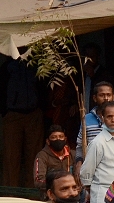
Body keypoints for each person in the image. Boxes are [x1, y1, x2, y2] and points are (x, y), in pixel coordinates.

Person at [0, 56, 44, 187]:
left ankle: (33, 192)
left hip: (34, 112)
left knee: (35, 156)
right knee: (10, 157)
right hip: (12, 114)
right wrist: (4, 111)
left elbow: (43, 85)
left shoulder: (36, 64)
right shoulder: (6, 67)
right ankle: (10, 192)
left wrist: (41, 107)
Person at [75, 82, 114, 174]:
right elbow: (80, 145)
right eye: (102, 95)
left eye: (109, 95)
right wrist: (79, 164)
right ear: (95, 98)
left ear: (113, 97)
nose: (106, 98)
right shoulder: (86, 120)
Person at [34, 125, 73, 192]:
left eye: (61, 137)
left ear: (65, 139)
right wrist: (58, 184)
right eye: (54, 137)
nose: (58, 139)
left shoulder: (72, 154)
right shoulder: (42, 156)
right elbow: (38, 181)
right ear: (48, 141)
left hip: (71, 192)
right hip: (51, 194)